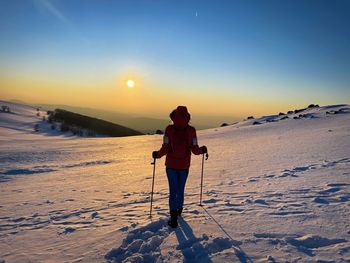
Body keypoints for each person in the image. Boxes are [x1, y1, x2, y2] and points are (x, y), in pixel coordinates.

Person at [152, 106, 208, 228]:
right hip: (184, 166)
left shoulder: (169, 129)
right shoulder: (191, 130)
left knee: (173, 190)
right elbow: (195, 149)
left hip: (171, 165)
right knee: (180, 189)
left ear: (173, 117)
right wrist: (202, 150)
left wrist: (157, 154)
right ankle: (179, 210)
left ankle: (173, 219)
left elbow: (165, 147)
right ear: (187, 117)